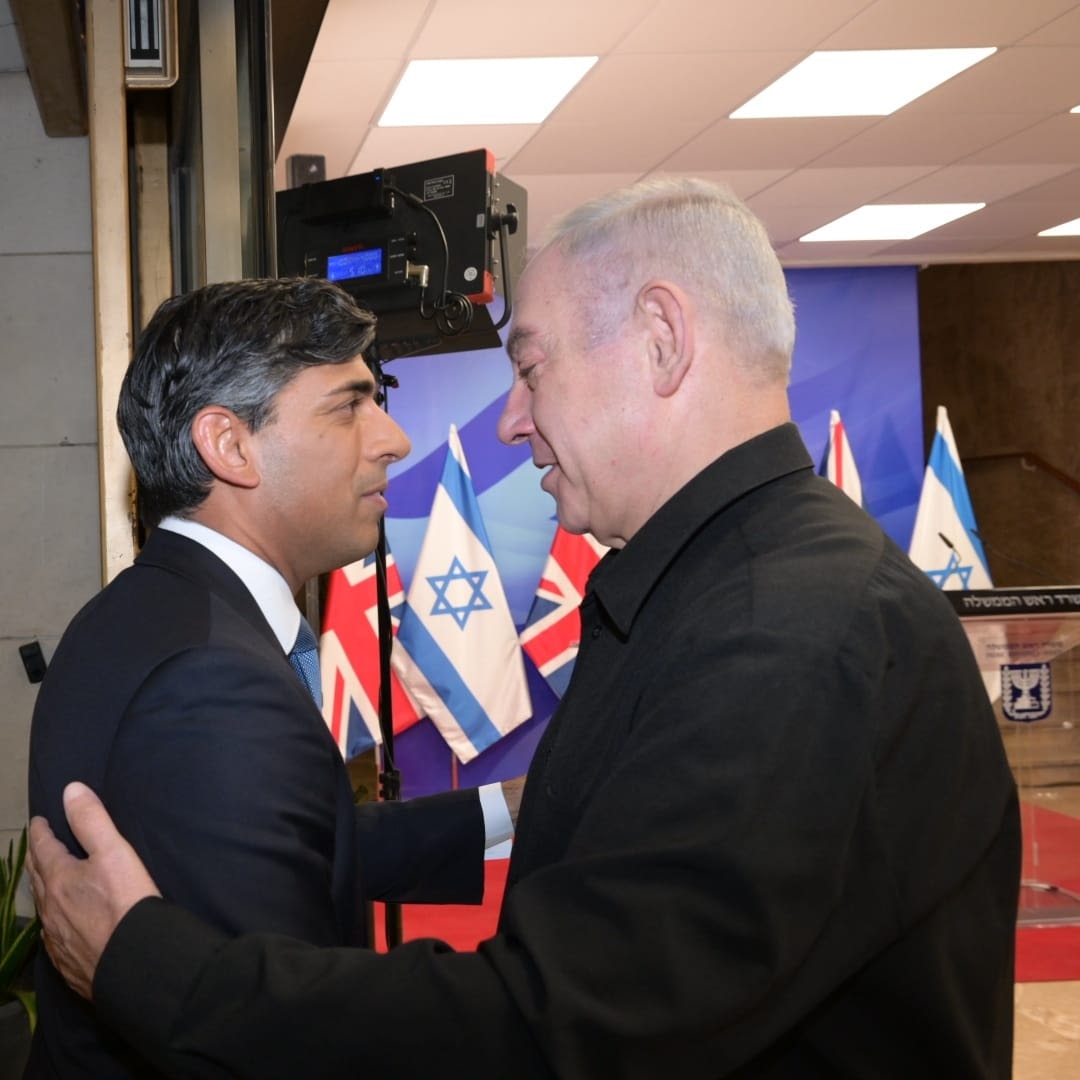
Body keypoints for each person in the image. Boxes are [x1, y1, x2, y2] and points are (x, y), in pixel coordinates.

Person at [29, 179, 1021, 1078]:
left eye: (530, 367)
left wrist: (154, 969)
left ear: (662, 340)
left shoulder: (793, 632)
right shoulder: (734, 593)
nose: (508, 420)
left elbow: (556, 1027)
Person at [26, 277, 518, 1078]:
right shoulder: (213, 681)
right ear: (229, 444)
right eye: (348, 405)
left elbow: (294, 844)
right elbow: (270, 1036)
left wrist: (509, 807)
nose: (392, 437)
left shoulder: (160, 610)